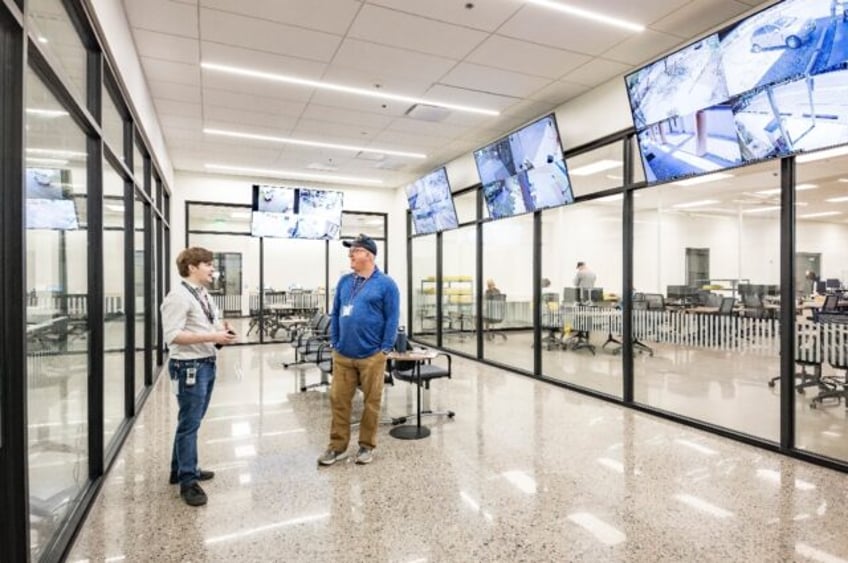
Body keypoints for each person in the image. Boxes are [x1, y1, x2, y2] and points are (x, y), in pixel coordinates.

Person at [161, 247, 237, 506]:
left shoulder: (202, 294)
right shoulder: (178, 297)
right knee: (190, 423)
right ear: (191, 267)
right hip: (189, 367)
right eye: (207, 264)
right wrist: (213, 337)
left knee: (190, 421)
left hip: (206, 362)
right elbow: (172, 335)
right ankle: (187, 481)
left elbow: (210, 323)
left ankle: (179, 469)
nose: (212, 269)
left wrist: (222, 331)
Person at [318, 234, 399, 467]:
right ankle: (337, 447)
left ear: (369, 255)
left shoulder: (386, 284)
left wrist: (385, 349)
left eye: (355, 250)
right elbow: (335, 312)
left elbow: (392, 318)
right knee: (338, 401)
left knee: (371, 403)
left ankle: (366, 446)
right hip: (343, 354)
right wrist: (335, 341)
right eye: (350, 250)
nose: (351, 254)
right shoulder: (345, 281)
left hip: (372, 356)